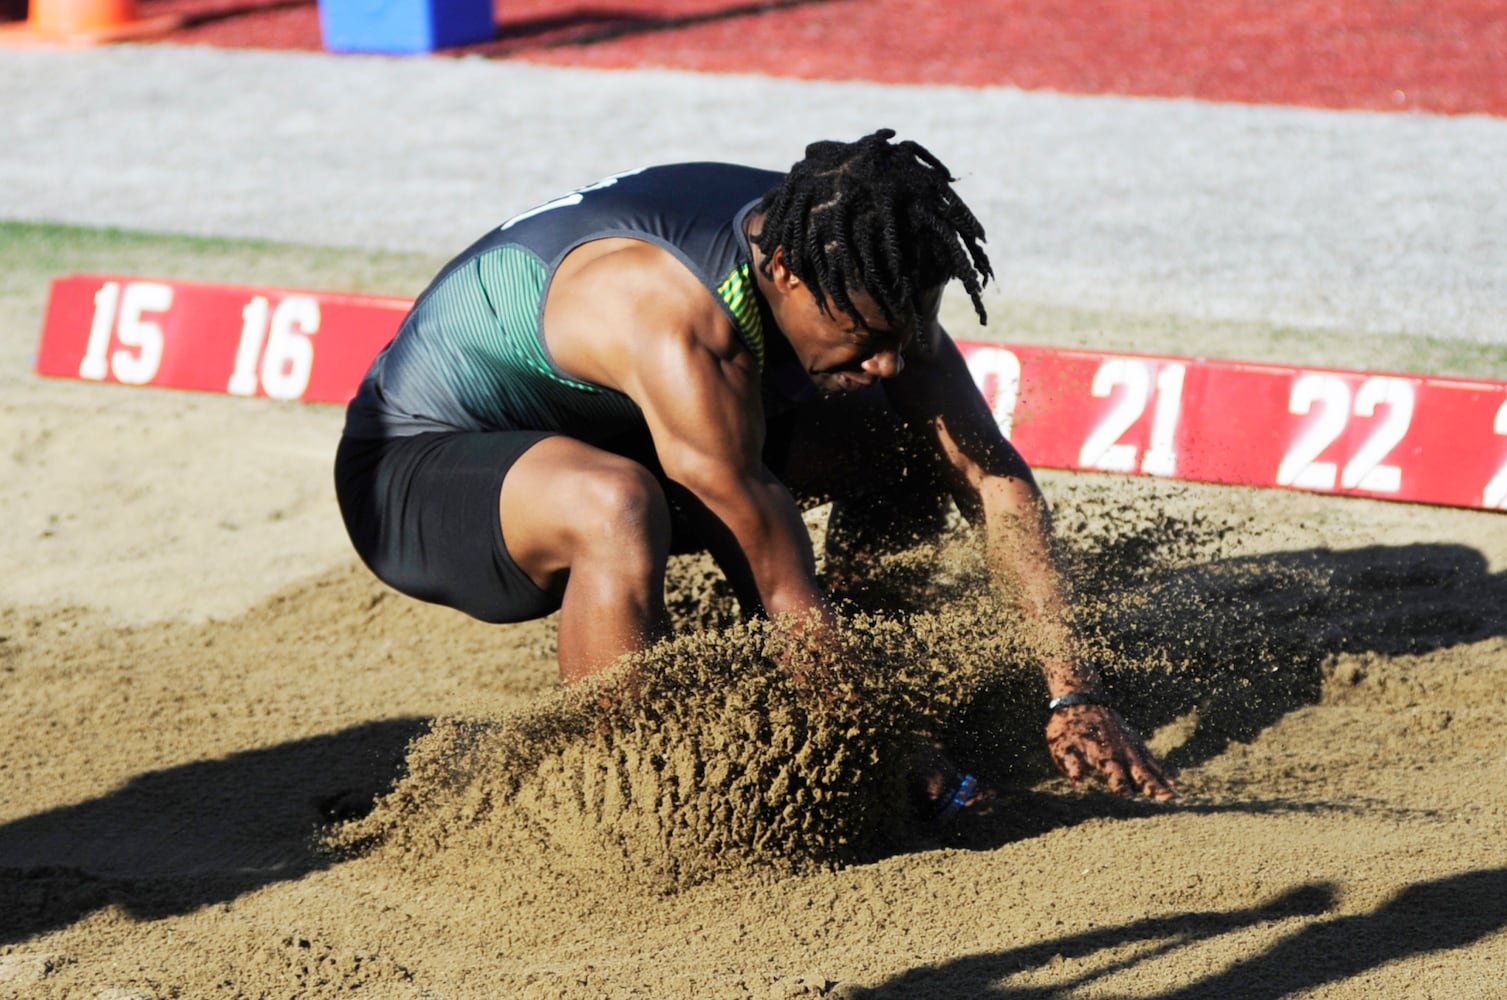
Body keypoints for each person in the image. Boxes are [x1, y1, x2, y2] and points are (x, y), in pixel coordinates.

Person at [334, 129, 1176, 808]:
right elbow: (776, 584)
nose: (886, 364)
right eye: (865, 341)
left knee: (904, 445)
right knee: (618, 509)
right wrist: (890, 755)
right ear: (782, 275)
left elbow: (992, 480)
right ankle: (625, 795)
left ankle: (863, 686)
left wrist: (1075, 693)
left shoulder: (858, 259)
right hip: (419, 470)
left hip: (618, 430)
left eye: (904, 337)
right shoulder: (674, 315)